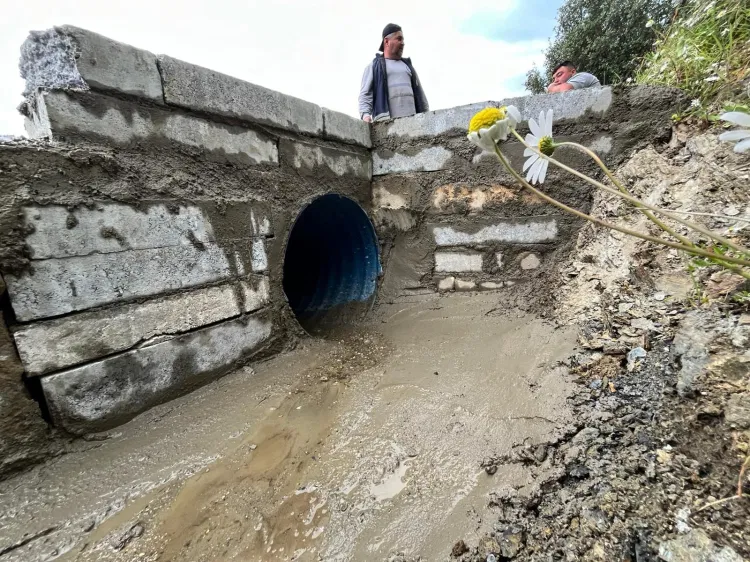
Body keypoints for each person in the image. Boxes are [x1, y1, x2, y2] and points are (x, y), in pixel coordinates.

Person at [358, 23, 429, 122]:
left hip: (413, 124)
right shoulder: (374, 67)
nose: (403, 43)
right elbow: (365, 95)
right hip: (387, 126)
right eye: (399, 39)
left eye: (403, 40)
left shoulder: (408, 66)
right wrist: (365, 115)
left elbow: (421, 96)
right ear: (386, 41)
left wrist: (427, 116)